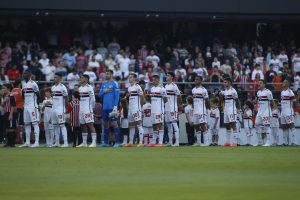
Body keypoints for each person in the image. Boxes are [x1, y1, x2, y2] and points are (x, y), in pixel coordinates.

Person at [215, 77, 240, 146]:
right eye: (224, 82)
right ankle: (228, 142)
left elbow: (237, 100)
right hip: (226, 109)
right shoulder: (225, 91)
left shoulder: (233, 91)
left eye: (225, 82)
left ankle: (235, 142)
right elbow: (221, 94)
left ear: (229, 83)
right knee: (227, 125)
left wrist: (238, 108)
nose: (224, 83)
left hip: (232, 109)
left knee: (233, 124)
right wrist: (217, 93)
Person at [98, 70, 120, 147]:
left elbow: (117, 96)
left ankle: (117, 142)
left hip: (112, 107)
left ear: (111, 74)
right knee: (105, 124)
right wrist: (105, 91)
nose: (106, 75)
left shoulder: (115, 83)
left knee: (114, 123)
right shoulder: (104, 84)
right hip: (105, 108)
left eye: (107, 74)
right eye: (105, 74)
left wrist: (115, 106)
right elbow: (99, 95)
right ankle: (105, 142)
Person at [19, 70, 40, 148]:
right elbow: (23, 95)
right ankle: (27, 142)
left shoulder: (33, 84)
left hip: (32, 106)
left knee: (35, 123)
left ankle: (36, 142)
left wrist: (38, 105)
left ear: (29, 74)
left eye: (25, 73)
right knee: (27, 124)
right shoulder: (23, 84)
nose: (24, 74)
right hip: (26, 106)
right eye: (23, 73)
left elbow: (38, 95)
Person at [77, 74, 97, 147]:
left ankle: (94, 142)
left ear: (86, 79)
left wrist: (91, 108)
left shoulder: (89, 87)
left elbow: (93, 99)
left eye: (82, 78)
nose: (80, 79)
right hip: (81, 109)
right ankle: (84, 143)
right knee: (82, 125)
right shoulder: (80, 88)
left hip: (87, 109)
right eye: (80, 77)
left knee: (90, 125)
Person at [126, 73, 145, 147]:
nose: (129, 78)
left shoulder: (137, 86)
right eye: (129, 77)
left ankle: (140, 142)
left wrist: (139, 106)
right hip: (130, 109)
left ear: (134, 78)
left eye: (131, 77)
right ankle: (131, 142)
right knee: (131, 125)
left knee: (139, 125)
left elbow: (142, 97)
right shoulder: (129, 88)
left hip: (136, 108)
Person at [51, 73, 69, 147]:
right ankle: (57, 142)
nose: (54, 78)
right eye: (54, 77)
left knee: (62, 125)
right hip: (54, 108)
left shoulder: (62, 87)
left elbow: (66, 98)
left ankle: (65, 143)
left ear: (59, 78)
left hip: (60, 108)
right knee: (55, 126)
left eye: (56, 77)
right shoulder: (53, 87)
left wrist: (66, 107)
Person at [255, 80, 274, 147]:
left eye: (260, 83)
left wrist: (271, 110)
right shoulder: (258, 92)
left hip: (266, 111)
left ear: (264, 84)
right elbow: (257, 101)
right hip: (260, 111)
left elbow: (272, 102)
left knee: (267, 126)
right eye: (259, 83)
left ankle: (268, 142)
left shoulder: (268, 92)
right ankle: (260, 141)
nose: (259, 84)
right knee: (256, 125)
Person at [150, 74, 168, 146]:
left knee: (160, 125)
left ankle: (160, 142)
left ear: (158, 80)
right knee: (154, 125)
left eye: (154, 80)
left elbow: (166, 99)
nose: (153, 81)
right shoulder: (152, 88)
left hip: (159, 110)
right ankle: (154, 142)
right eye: (152, 80)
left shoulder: (162, 88)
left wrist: (160, 105)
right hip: (153, 109)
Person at [164, 72, 181, 146]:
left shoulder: (174, 86)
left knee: (174, 124)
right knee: (168, 125)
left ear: (172, 77)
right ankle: (170, 142)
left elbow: (179, 96)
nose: (166, 77)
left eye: (168, 76)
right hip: (166, 108)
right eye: (166, 75)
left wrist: (177, 106)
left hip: (172, 108)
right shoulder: (165, 86)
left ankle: (177, 142)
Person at [192, 75, 209, 146]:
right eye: (195, 79)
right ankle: (198, 142)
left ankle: (206, 142)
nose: (196, 80)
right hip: (195, 110)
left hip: (201, 110)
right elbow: (193, 100)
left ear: (201, 81)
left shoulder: (203, 89)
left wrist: (207, 109)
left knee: (203, 125)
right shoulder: (193, 90)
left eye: (197, 79)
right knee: (196, 125)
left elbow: (207, 100)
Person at [280, 78, 298, 146]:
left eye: (284, 82)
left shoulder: (290, 92)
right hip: (283, 111)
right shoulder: (282, 92)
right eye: (283, 82)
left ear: (288, 84)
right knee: (284, 126)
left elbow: (294, 102)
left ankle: (294, 142)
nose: (283, 83)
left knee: (291, 125)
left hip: (288, 111)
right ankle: (285, 142)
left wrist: (292, 110)